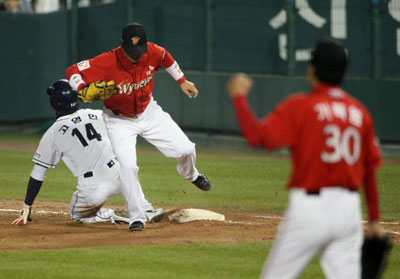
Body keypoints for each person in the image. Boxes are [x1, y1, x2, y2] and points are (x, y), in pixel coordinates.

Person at [228, 39, 385, 278]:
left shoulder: (301, 107)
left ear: (312, 71)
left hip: (310, 210)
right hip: (350, 213)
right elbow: (370, 171)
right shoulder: (360, 112)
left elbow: (257, 137)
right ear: (344, 72)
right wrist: (374, 220)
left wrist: (239, 97)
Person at [65, 22, 211, 232]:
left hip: (148, 112)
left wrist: (182, 80)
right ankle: (137, 217)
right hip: (118, 120)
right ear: (122, 46)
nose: (137, 55)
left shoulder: (152, 51)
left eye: (139, 50)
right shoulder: (107, 61)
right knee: (128, 166)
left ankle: (192, 174)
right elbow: (73, 71)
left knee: (186, 149)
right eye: (132, 51)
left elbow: (166, 58)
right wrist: (81, 87)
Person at [12, 80, 163, 228]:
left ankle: (113, 215)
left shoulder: (53, 133)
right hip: (119, 175)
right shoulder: (96, 114)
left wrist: (27, 205)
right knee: (128, 172)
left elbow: (39, 173)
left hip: (93, 188)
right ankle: (144, 207)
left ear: (54, 103)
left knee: (77, 214)